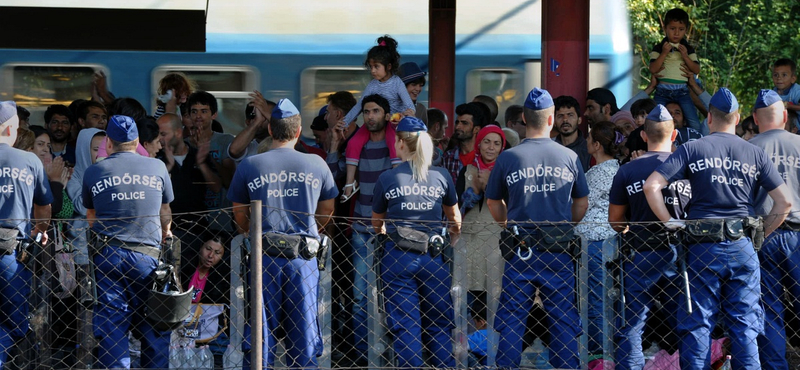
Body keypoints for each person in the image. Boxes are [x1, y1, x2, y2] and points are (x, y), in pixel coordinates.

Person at [643, 88, 793, 370]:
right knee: (745, 322)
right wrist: (759, 236)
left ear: (709, 117)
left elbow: (652, 186)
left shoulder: (692, 148)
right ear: (737, 118)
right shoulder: (754, 152)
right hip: (742, 246)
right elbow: (784, 202)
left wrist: (670, 222)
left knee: (697, 322)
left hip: (702, 248)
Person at [227, 99, 337, 369]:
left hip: (263, 259)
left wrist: (250, 232)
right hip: (303, 260)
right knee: (304, 336)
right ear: (298, 132)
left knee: (261, 333)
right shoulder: (318, 164)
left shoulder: (250, 165)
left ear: (271, 131)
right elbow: (327, 212)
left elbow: (240, 216)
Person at [485, 88, 589, 369]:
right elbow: (582, 202)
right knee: (563, 315)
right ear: (552, 119)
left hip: (521, 249)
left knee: (513, 315)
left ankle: (506, 366)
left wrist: (508, 225)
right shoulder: (568, 156)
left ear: (523, 118)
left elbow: (493, 201)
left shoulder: (509, 158)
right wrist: (566, 225)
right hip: (559, 248)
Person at [82, 115, 175, 369]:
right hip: (148, 258)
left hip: (108, 257)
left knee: (112, 330)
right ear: (136, 142)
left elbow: (91, 216)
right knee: (155, 327)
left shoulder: (94, 171)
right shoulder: (156, 167)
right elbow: (165, 211)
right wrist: (166, 232)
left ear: (109, 142)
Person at [371, 116, 461, 368]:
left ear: (400, 142)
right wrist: (450, 243)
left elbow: (376, 223)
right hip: (434, 257)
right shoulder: (441, 176)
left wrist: (386, 232)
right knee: (440, 323)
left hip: (398, 257)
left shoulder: (388, 178)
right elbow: (455, 220)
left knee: (406, 326)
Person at [609, 105, 691, 370]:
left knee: (633, 323)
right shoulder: (687, 167)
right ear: (675, 134)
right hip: (681, 255)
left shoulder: (628, 171)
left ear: (644, 135)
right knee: (688, 322)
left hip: (641, 253)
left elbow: (615, 221)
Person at [329, 94, 395, 364]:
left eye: (376, 111)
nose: (370, 116)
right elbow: (334, 175)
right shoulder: (356, 146)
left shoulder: (397, 145)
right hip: (362, 229)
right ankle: (362, 354)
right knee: (359, 295)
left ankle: (388, 353)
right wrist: (335, 143)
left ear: (386, 115)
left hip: (392, 232)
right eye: (366, 111)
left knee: (390, 294)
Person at [749, 90, 800, 370]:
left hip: (761, 236)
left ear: (755, 118)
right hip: (798, 236)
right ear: (784, 116)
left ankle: (774, 366)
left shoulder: (747, 148)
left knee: (769, 309)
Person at [0, 101, 53, 368]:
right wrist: (38, 231)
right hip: (11, 254)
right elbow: (44, 207)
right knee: (16, 322)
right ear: (11, 129)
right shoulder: (30, 160)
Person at [339, 35, 415, 201]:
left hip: (392, 122)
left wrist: (398, 116)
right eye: (371, 67)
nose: (372, 71)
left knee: (393, 144)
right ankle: (350, 184)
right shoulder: (372, 85)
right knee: (353, 143)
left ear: (388, 66)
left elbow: (410, 107)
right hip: (374, 122)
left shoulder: (397, 84)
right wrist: (345, 122)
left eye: (376, 66)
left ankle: (398, 182)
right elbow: (360, 106)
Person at [576, 120, 622, 355]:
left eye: (589, 138)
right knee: (600, 296)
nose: (585, 142)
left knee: (595, 298)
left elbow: (582, 204)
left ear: (596, 145)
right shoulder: (614, 168)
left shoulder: (602, 172)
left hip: (596, 242)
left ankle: (598, 352)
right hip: (602, 241)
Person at [456, 125, 506, 324]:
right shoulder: (467, 171)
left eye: (496, 143)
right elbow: (457, 207)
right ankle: (465, 347)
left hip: (495, 246)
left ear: (502, 147)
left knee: (494, 298)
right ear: (479, 143)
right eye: (486, 142)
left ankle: (491, 346)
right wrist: (473, 192)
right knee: (464, 300)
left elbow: (510, 207)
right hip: (469, 244)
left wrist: (489, 186)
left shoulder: (506, 172)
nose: (491, 148)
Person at [649, 8, 701, 133]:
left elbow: (696, 69)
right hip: (662, 90)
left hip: (682, 91)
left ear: (686, 31)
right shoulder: (659, 47)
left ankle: (694, 145)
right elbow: (653, 69)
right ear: (665, 28)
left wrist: (685, 56)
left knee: (694, 123)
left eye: (681, 29)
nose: (676, 33)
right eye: (672, 29)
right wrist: (664, 53)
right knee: (653, 122)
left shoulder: (688, 49)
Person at [440, 102, 486, 184]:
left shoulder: (485, 157)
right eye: (457, 122)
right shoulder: (447, 158)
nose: (458, 127)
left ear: (476, 129)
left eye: (464, 123)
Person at [554, 95, 590, 172]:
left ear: (579, 120)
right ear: (554, 122)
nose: (565, 120)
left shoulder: (589, 149)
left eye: (570, 115)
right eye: (560, 116)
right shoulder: (550, 148)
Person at [771, 58, 800, 132]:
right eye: (775, 75)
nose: (779, 78)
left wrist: (791, 106)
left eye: (784, 75)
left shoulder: (797, 91)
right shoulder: (773, 93)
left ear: (793, 79)